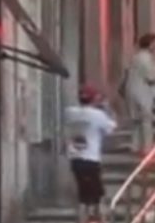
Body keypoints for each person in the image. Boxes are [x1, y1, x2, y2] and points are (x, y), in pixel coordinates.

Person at [65, 85, 117, 223]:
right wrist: (105, 108)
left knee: (83, 194)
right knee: (97, 194)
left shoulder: (70, 112)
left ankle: (83, 218)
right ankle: (96, 218)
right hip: (91, 158)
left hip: (75, 158)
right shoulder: (97, 115)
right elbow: (111, 127)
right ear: (94, 99)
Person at [125, 33, 155, 153]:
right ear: (150, 44)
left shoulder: (135, 57)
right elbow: (151, 77)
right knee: (146, 120)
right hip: (143, 91)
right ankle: (147, 147)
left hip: (131, 90)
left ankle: (135, 145)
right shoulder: (147, 58)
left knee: (135, 121)